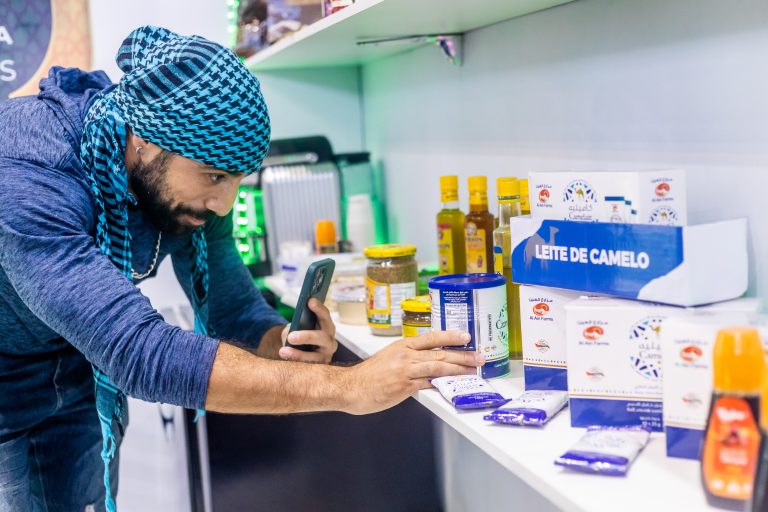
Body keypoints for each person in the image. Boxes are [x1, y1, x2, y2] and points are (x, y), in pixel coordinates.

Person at [0, 26, 482, 512]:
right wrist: (350, 387)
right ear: (142, 140)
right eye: (213, 177)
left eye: (237, 180)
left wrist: (284, 344)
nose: (225, 204)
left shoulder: (188, 179)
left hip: (76, 372)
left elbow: (234, 311)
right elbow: (137, 353)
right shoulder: (27, 176)